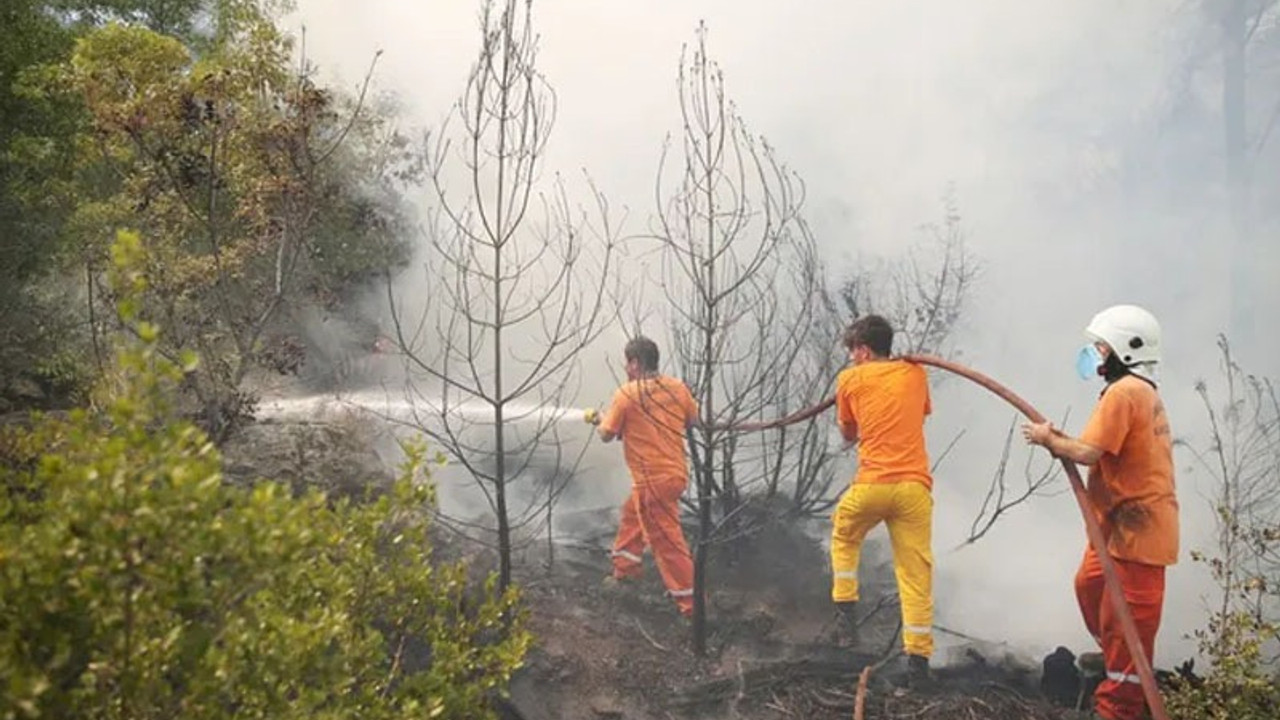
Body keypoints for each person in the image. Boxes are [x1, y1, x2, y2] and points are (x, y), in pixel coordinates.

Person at [1022, 304, 1179, 720]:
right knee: (1089, 586)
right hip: (1116, 529)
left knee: (1128, 630)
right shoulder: (1135, 393)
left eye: (1100, 346)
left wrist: (1046, 439)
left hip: (1139, 537)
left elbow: (1089, 453)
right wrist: (1059, 439)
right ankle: (1113, 660)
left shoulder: (1127, 392)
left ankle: (1118, 707)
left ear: (1124, 350)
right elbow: (1097, 447)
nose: (1094, 354)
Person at [830, 314, 935, 685]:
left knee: (844, 536)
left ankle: (845, 618)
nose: (852, 358)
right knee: (915, 572)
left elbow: (847, 433)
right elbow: (920, 413)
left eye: (853, 351)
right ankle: (918, 661)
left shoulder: (849, 379)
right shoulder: (916, 373)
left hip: (872, 486)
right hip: (914, 490)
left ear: (862, 349)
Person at [587, 336, 699, 618]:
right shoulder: (678, 388)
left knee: (667, 544)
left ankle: (692, 608)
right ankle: (626, 570)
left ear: (635, 363)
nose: (626, 368)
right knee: (632, 515)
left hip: (652, 480)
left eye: (628, 363)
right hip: (674, 476)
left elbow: (606, 435)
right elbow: (692, 421)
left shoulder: (627, 394)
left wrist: (598, 419)